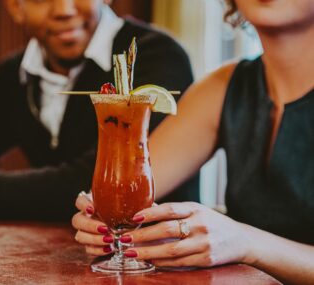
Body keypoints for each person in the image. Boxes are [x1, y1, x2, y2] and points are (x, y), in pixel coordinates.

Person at [72, 0, 314, 283]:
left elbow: (243, 242)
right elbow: (129, 186)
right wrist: (97, 216)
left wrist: (246, 241)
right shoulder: (224, 86)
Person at [0, 0, 198, 220]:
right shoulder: (15, 75)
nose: (63, 9)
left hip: (157, 262)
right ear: (15, 7)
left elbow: (86, 185)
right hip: (60, 261)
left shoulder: (155, 57)